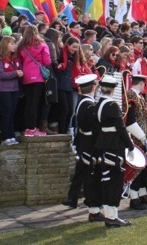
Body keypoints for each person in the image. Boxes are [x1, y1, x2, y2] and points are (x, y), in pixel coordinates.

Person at [93, 74, 135, 227]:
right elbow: (121, 128)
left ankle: (110, 215)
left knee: (107, 180)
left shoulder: (98, 104)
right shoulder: (112, 106)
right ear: (113, 90)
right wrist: (130, 146)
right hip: (114, 146)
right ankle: (112, 217)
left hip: (103, 144)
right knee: (115, 181)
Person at [64, 74, 102, 218]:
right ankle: (89, 201)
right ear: (93, 88)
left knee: (80, 171)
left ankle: (72, 198)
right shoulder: (90, 105)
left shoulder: (83, 101)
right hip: (89, 143)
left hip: (83, 141)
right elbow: (95, 127)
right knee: (89, 174)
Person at [124, 75, 147, 209]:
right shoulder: (130, 95)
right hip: (137, 139)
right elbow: (130, 121)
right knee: (137, 170)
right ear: (142, 83)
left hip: (144, 138)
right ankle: (134, 197)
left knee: (143, 169)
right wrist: (142, 137)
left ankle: (142, 194)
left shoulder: (139, 97)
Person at [19, 26, 53, 136]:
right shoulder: (42, 45)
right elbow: (47, 62)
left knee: (28, 103)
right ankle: (33, 128)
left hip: (26, 75)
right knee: (35, 103)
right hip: (38, 76)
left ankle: (28, 128)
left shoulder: (21, 45)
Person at [0, 36, 22, 146]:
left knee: (12, 113)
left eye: (14, 44)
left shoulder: (13, 58)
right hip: (4, 89)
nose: (14, 46)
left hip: (14, 88)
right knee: (7, 113)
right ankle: (5, 136)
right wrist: (15, 73)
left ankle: (11, 135)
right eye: (12, 44)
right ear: (5, 45)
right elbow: (0, 74)